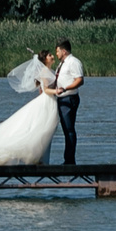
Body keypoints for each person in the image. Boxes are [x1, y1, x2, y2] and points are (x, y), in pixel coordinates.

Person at [41, 37, 83, 165]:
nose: (56, 54)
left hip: (68, 98)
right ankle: (68, 159)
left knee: (69, 129)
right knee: (66, 129)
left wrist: (65, 88)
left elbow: (79, 80)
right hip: (61, 98)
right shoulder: (61, 64)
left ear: (63, 51)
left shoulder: (73, 62)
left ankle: (70, 160)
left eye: (58, 51)